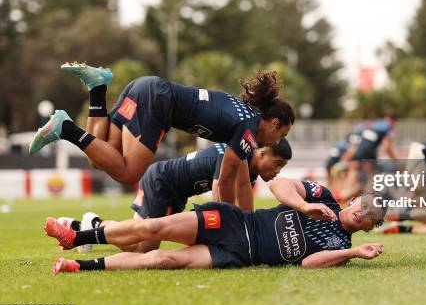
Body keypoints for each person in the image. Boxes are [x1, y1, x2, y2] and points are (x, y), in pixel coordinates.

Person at [29, 63, 295, 202]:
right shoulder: (249, 129)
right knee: (128, 173)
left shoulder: (244, 116)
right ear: (273, 123)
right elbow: (227, 180)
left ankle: (97, 88)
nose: (275, 142)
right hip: (158, 101)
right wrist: (230, 225)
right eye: (280, 135)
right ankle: (64, 127)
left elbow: (238, 180)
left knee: (99, 156)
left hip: (145, 88)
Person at [44, 179, 386, 273]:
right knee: (154, 228)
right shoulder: (322, 197)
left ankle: (80, 264)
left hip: (238, 255)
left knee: (163, 260)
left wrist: (353, 252)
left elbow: (308, 263)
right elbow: (280, 183)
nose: (363, 212)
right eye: (364, 204)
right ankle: (78, 236)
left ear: (370, 227)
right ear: (355, 199)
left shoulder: (342, 246)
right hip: (232, 223)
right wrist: (303, 205)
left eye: (371, 216)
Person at [59, 138, 292, 253]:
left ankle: (88, 226)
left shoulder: (247, 171)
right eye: (277, 163)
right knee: (143, 249)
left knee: (139, 240)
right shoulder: (235, 156)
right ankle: (90, 228)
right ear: (261, 152)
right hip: (162, 182)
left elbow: (243, 210)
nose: (278, 170)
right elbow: (219, 191)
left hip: (173, 190)